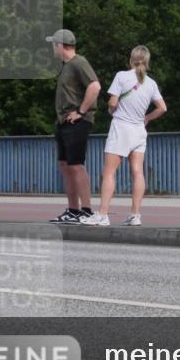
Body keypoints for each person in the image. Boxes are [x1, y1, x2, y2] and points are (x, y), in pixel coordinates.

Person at [81, 46, 167, 227]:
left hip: (121, 128)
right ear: (147, 61)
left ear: (131, 60)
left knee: (109, 172)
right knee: (137, 172)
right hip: (139, 130)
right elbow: (162, 108)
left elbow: (113, 102)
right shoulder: (151, 83)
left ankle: (103, 214)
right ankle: (135, 215)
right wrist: (147, 118)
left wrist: (112, 110)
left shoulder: (122, 76)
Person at [46, 29, 101, 224]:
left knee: (76, 165)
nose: (52, 47)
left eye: (54, 44)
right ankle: (73, 210)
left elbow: (95, 86)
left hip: (77, 121)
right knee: (65, 165)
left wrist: (81, 111)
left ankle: (86, 210)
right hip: (63, 121)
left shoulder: (79, 62)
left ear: (61, 45)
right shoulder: (66, 66)